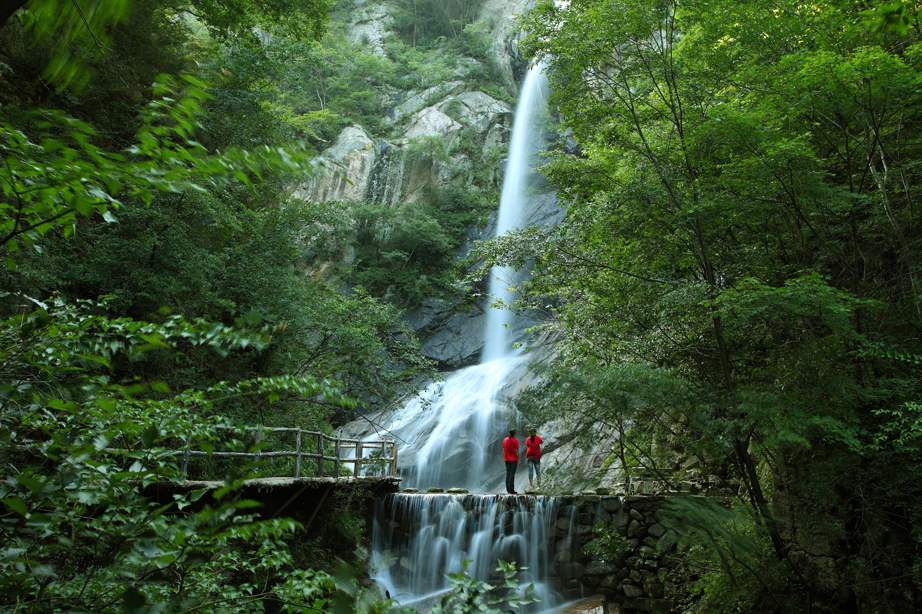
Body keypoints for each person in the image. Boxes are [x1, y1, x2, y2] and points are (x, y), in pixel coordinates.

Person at [502, 428, 520, 494]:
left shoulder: (505, 440)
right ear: (514, 434)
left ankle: (508, 489)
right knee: (512, 475)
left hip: (507, 459)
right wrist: (519, 460)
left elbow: (503, 449)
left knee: (508, 474)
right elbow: (517, 451)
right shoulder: (515, 440)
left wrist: (504, 458)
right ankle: (512, 490)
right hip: (513, 460)